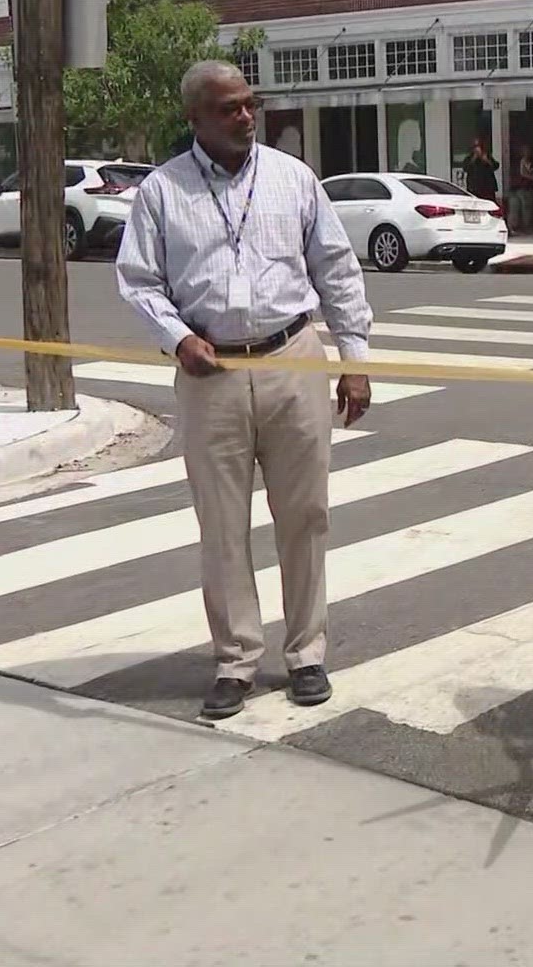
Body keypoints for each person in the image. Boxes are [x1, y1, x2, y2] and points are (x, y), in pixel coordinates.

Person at [116, 60, 374, 721]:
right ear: (195, 118)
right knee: (223, 527)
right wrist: (176, 337)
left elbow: (337, 270)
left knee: (305, 515)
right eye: (228, 108)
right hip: (212, 375)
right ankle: (235, 659)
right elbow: (140, 281)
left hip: (293, 358)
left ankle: (306, 653)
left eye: (249, 104)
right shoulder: (161, 193)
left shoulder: (293, 179)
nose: (245, 117)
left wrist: (354, 358)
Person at [510, 144, 533, 233]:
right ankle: (518, 227)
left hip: (523, 188)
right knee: (522, 208)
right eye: (525, 151)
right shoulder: (521, 161)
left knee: (522, 208)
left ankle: (520, 227)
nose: (527, 152)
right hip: (521, 188)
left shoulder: (530, 162)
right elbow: (522, 173)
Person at [463, 141, 500, 206]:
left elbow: (495, 166)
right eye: (476, 147)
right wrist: (473, 159)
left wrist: (487, 161)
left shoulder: (487, 156)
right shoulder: (469, 158)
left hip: (487, 187)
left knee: (490, 204)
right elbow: (465, 168)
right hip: (474, 187)